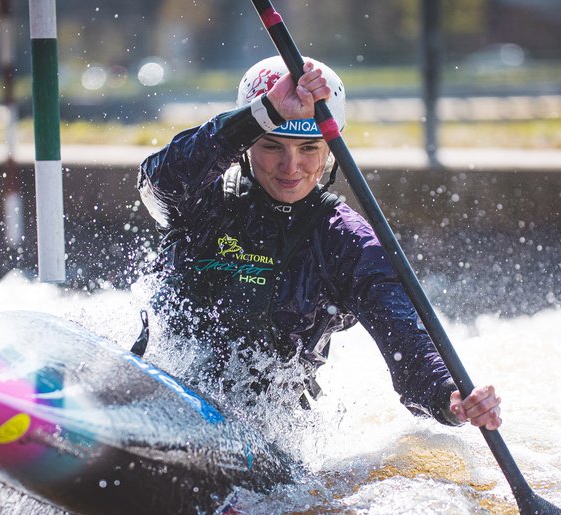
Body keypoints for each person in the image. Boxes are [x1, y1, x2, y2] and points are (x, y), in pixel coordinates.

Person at [138, 56, 501, 430]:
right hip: (157, 391)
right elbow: (156, 181)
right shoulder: (200, 199)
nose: (290, 167)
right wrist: (263, 112)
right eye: (272, 146)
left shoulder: (347, 242)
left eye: (309, 148)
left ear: (330, 149)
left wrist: (450, 398)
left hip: (259, 430)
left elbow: (406, 342)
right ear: (246, 144)